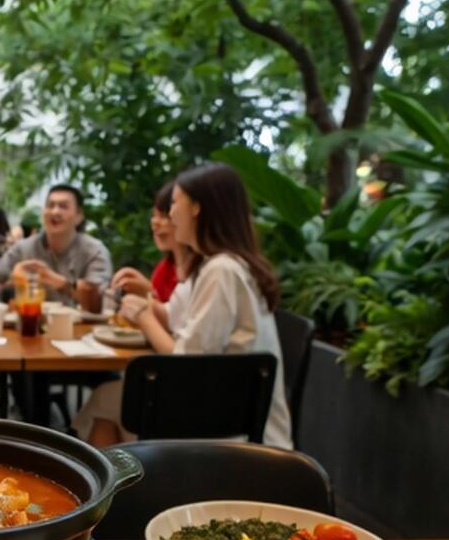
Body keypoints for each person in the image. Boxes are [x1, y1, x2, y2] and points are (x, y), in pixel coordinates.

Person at [75, 162, 292, 449]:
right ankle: (135, 487)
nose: (169, 215)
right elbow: (171, 314)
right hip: (223, 410)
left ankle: (131, 486)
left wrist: (143, 316)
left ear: (197, 208)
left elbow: (185, 364)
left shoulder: (222, 271)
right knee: (110, 399)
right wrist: (147, 298)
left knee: (109, 401)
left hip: (229, 428)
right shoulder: (213, 266)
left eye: (175, 203)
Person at [0, 184, 112, 306]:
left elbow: (98, 301)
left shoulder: (95, 251)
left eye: (63, 206)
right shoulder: (24, 248)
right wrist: (12, 277)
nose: (55, 212)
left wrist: (59, 282)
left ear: (79, 216)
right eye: (50, 205)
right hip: (32, 326)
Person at [109, 181, 199, 318]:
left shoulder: (206, 269)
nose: (155, 223)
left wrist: (148, 292)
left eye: (165, 216)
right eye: (154, 215)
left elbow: (179, 323)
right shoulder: (164, 269)